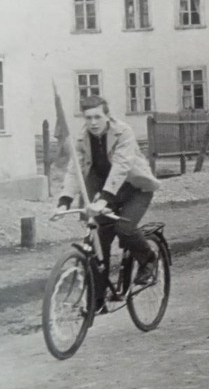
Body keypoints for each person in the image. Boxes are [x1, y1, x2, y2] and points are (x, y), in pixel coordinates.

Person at [55, 96, 161, 311]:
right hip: (105, 192)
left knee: (124, 228)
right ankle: (97, 300)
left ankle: (149, 260)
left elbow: (121, 167)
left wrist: (104, 199)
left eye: (97, 117)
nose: (93, 123)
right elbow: (75, 171)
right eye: (88, 118)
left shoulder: (124, 132)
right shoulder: (81, 138)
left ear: (107, 116)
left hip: (135, 189)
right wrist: (64, 201)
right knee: (97, 242)